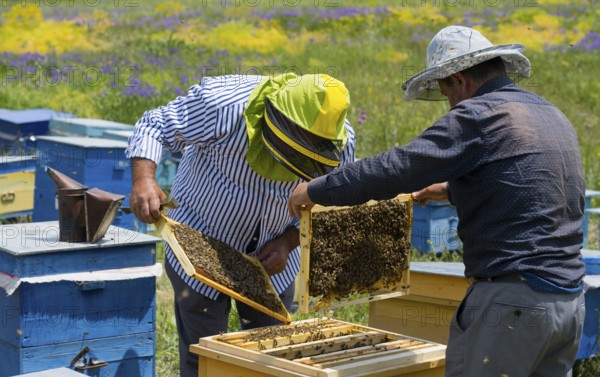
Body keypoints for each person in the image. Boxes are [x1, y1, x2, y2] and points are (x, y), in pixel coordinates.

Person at [288, 25, 586, 377]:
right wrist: (450, 188)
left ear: (459, 81)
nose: (450, 105)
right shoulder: (550, 114)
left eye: (447, 94)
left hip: (512, 302)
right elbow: (532, 184)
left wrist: (318, 189)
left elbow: (397, 168)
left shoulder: (479, 115)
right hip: (568, 303)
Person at [126, 72, 356, 377]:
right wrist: (144, 179)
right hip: (201, 238)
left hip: (275, 261)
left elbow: (329, 201)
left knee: (269, 359)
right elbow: (155, 124)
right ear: (275, 115)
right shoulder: (223, 103)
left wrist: (288, 241)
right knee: (204, 356)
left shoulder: (341, 144)